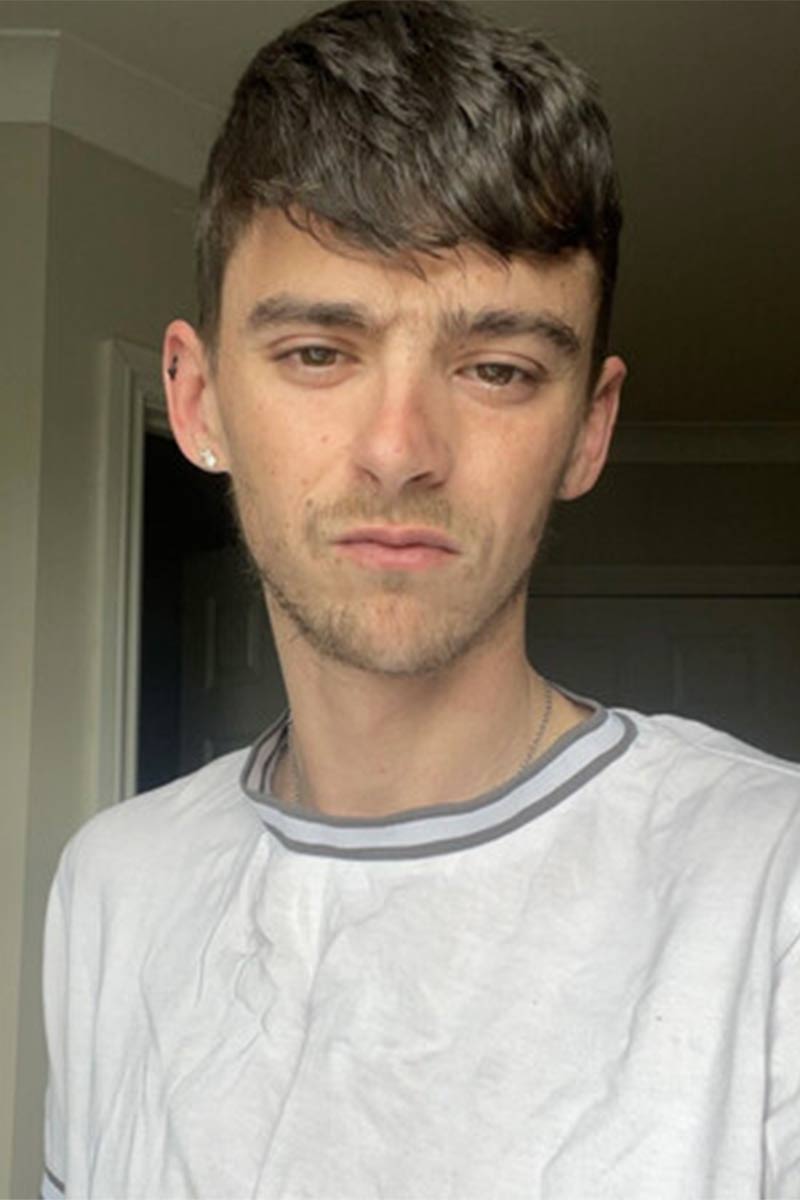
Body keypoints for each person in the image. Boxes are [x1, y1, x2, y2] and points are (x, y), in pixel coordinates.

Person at [41, 2, 800, 1197]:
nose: (398, 450)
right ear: (195, 401)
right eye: (316, 353)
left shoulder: (770, 889)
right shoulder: (112, 888)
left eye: (495, 369)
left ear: (586, 429)